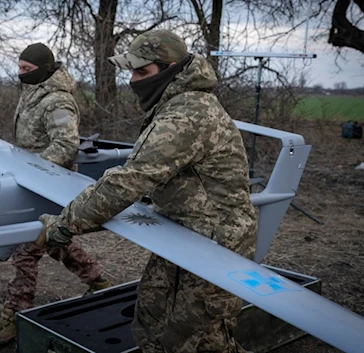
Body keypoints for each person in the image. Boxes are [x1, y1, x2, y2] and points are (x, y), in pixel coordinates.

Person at [35, 29, 257, 353]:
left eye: (142, 71)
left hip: (215, 242)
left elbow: (129, 180)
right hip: (182, 233)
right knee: (151, 323)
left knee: (197, 342)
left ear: (169, 69)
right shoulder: (173, 103)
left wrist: (63, 226)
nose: (133, 80)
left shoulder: (187, 114)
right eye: (132, 71)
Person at [0, 43, 112, 345]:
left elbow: (65, 145)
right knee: (53, 242)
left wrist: (32, 169)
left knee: (26, 248)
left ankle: (14, 314)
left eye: (27, 69)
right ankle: (99, 282)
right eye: (20, 68)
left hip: (50, 184)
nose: (20, 74)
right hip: (30, 183)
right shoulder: (34, 92)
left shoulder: (57, 101)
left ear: (42, 68)